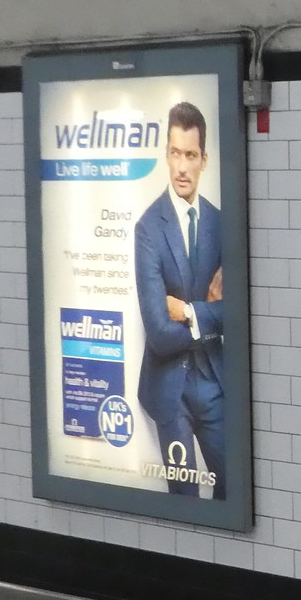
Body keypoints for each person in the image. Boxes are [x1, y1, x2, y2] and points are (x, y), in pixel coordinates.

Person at [134, 102, 225, 496]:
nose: (182, 167)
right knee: (185, 499)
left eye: (190, 155)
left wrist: (188, 312)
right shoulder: (148, 229)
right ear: (166, 155)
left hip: (213, 381)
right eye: (175, 154)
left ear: (203, 159)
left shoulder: (222, 225)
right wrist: (211, 316)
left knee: (233, 488)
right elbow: (157, 333)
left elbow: (236, 311)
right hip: (169, 387)